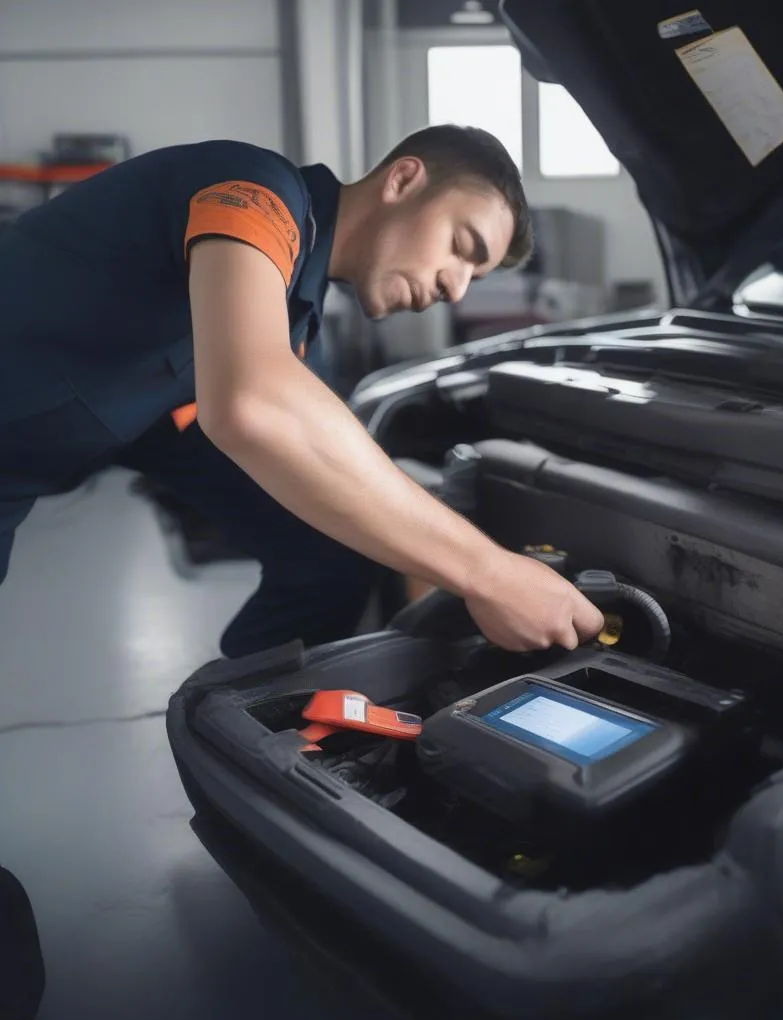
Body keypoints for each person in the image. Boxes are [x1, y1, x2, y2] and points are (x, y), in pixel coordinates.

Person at [0, 124, 605, 657]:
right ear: (403, 180)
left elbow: (212, 429)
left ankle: (261, 729)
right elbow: (253, 405)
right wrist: (490, 574)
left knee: (328, 555)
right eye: (462, 246)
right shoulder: (255, 188)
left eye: (475, 275)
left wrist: (401, 508)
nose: (456, 289)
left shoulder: (292, 315)